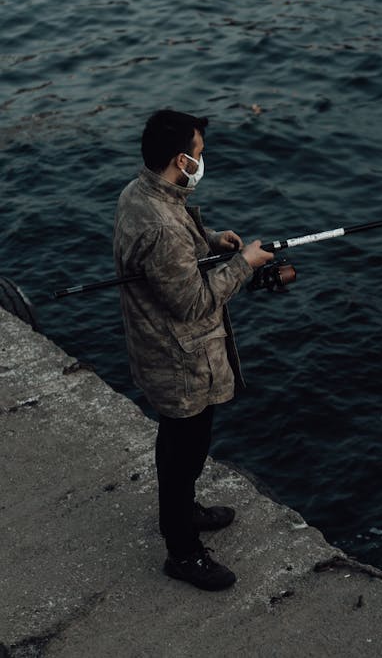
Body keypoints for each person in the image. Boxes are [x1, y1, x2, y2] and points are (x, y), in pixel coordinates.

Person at [113, 109, 273, 591]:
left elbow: (171, 241)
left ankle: (183, 513)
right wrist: (243, 264)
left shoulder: (140, 192)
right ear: (181, 160)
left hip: (158, 348)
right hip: (179, 359)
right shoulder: (161, 226)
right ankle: (182, 552)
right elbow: (193, 301)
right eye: (199, 155)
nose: (203, 161)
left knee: (180, 447)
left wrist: (208, 240)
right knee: (184, 451)